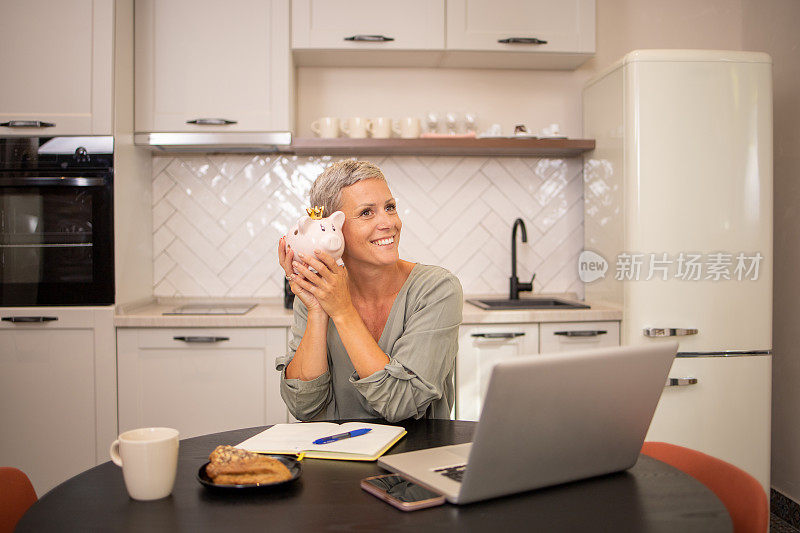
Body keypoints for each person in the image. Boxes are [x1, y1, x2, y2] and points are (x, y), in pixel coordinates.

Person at [276, 160, 463, 423]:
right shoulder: (319, 289)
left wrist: (342, 311)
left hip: (414, 456)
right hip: (334, 455)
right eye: (366, 213)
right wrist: (318, 309)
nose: (388, 222)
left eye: (390, 207)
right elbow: (302, 405)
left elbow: (401, 404)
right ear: (332, 227)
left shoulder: (437, 289)